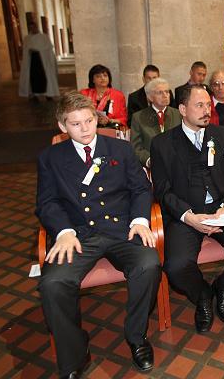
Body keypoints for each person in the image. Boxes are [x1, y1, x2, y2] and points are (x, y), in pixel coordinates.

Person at [37, 92, 161, 377]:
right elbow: (46, 202)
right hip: (79, 235)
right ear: (62, 126)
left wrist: (141, 220)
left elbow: (141, 188)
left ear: (97, 118)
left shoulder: (120, 148)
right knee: (53, 284)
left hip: (122, 229)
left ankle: (136, 336)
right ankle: (75, 354)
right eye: (75, 124)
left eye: (89, 121)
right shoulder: (50, 158)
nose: (84, 129)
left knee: (149, 264)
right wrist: (64, 232)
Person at [150, 85, 224, 333]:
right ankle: (202, 295)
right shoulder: (162, 144)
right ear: (182, 109)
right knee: (176, 266)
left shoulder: (223, 136)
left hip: (222, 211)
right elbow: (162, 191)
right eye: (199, 105)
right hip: (187, 215)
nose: (206, 111)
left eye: (208, 105)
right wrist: (189, 217)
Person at [130, 78, 181, 167]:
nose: (165, 95)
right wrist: (149, 160)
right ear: (150, 97)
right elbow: (136, 148)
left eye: (167, 92)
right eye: (160, 93)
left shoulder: (179, 114)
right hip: (152, 165)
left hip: (176, 164)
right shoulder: (138, 117)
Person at [19, 20, 60, 101]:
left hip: (43, 61)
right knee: (34, 78)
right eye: (30, 28)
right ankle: (35, 94)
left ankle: (49, 94)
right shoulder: (27, 38)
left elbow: (49, 49)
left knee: (45, 77)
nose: (32, 29)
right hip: (32, 61)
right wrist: (29, 52)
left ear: (36, 27)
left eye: (33, 27)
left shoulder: (44, 37)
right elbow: (25, 50)